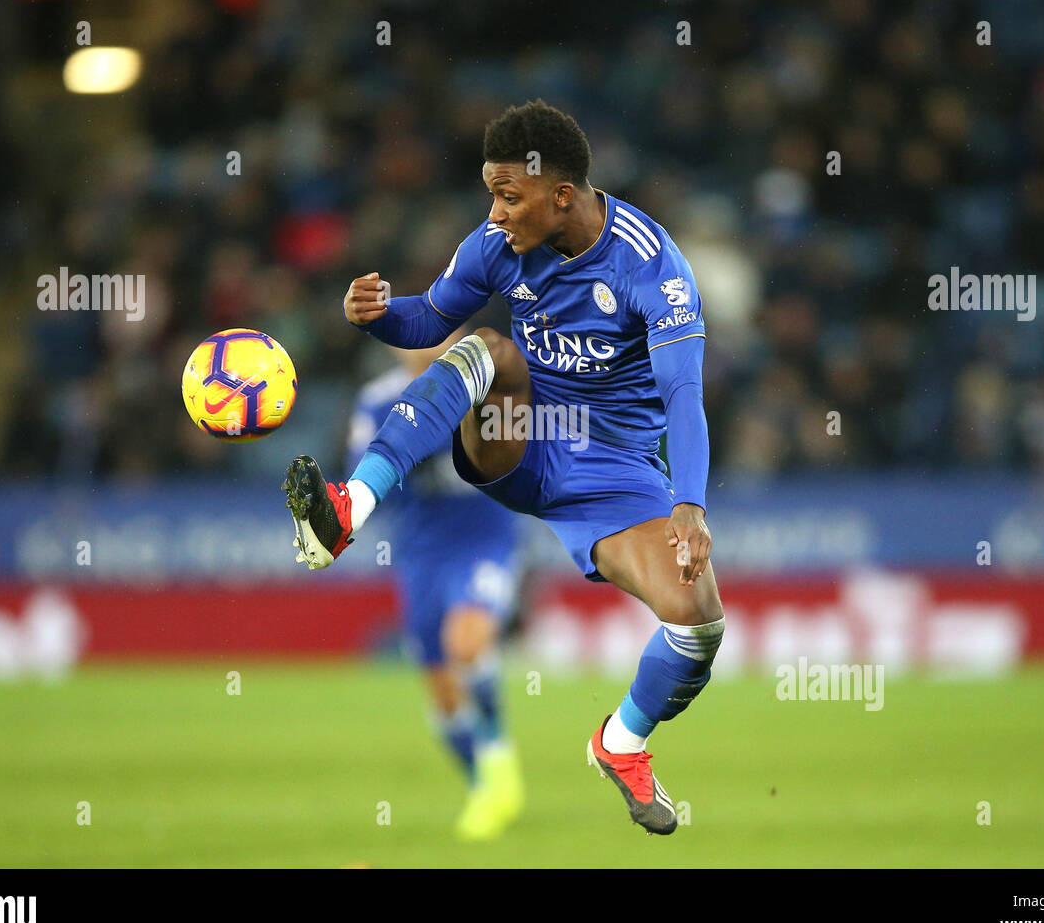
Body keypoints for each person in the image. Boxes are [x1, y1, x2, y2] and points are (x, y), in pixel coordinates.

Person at [283, 101, 722, 835]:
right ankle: (348, 509)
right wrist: (381, 314)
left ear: (561, 194)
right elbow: (429, 318)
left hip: (617, 471)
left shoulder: (652, 265)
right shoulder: (498, 242)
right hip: (522, 430)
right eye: (491, 192)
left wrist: (690, 502)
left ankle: (621, 742)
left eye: (508, 195)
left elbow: (683, 389)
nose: (496, 211)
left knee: (698, 624)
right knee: (489, 347)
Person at [347, 333, 525, 840]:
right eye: (413, 338)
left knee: (466, 642)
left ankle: (496, 750)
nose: (424, 348)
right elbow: (360, 476)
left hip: (484, 537)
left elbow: (518, 449)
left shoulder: (487, 388)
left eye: (439, 336)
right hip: (421, 551)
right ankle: (484, 784)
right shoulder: (377, 401)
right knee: (443, 691)